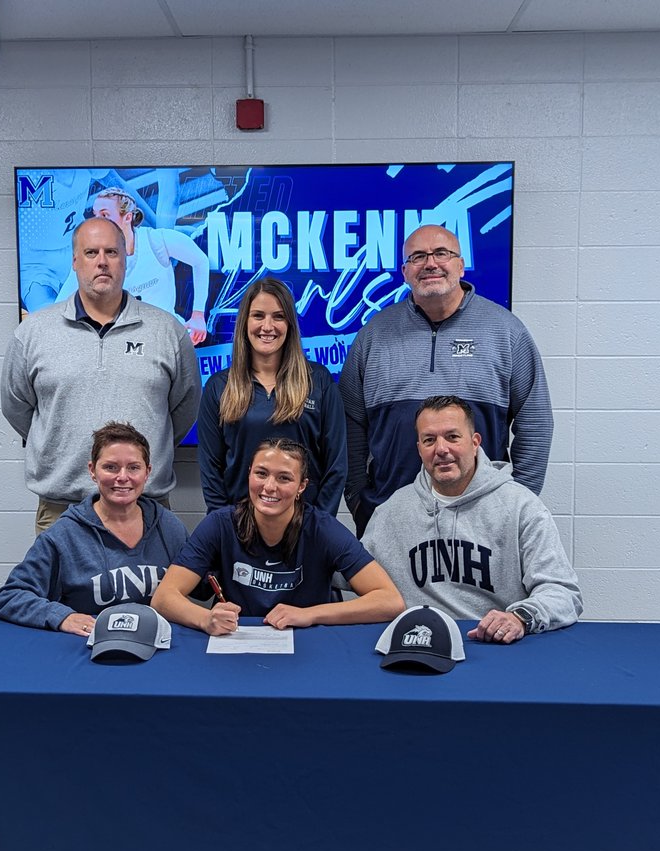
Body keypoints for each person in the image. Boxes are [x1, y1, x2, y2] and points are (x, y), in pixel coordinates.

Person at [339, 224, 553, 535]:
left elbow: (535, 423)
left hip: (484, 523)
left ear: (461, 265)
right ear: (405, 271)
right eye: (418, 256)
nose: (430, 264)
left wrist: (517, 503)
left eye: (442, 253)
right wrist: (359, 501)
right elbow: (349, 425)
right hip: (389, 519)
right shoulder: (374, 335)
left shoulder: (506, 332)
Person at [1, 217, 202, 534]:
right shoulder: (33, 334)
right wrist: (61, 440)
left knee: (157, 587)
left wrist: (150, 438)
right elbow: (17, 407)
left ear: (126, 258)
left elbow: (182, 410)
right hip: (62, 511)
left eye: (112, 252)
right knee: (60, 587)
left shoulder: (168, 332)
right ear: (75, 261)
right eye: (91, 252)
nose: (102, 262)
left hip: (145, 509)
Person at [362, 396, 581, 644]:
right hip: (416, 644)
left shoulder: (521, 507)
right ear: (419, 448)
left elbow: (564, 593)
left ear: (475, 442)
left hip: (491, 644)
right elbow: (350, 573)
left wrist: (519, 618)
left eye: (453, 437)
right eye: (429, 440)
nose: (441, 449)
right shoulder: (391, 512)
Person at [152, 438, 403, 634]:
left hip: (308, 642)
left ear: (301, 487)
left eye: (284, 478)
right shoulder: (219, 524)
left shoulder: (322, 529)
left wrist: (311, 614)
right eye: (261, 473)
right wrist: (205, 619)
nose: (270, 487)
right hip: (240, 644)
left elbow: (389, 601)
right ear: (249, 473)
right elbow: (164, 598)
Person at [0, 422, 189, 637]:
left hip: (156, 643)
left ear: (147, 472)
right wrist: (61, 616)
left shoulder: (169, 527)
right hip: (91, 647)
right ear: (92, 471)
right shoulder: (63, 535)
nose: (122, 477)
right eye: (110, 467)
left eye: (133, 467)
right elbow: (10, 596)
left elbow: (205, 585)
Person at [197, 277, 346, 515]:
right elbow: (211, 469)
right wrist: (226, 527)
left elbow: (336, 465)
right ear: (245, 322)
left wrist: (318, 526)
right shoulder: (219, 387)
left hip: (305, 528)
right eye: (258, 315)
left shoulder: (318, 381)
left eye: (278, 316)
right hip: (239, 529)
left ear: (290, 324)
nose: (268, 326)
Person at [54, 188, 212, 345]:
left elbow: (200, 261)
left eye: (105, 215)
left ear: (128, 217)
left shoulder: (156, 240)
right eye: (95, 215)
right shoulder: (91, 258)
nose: (98, 221)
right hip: (121, 348)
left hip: (164, 340)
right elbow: (59, 306)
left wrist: (198, 314)